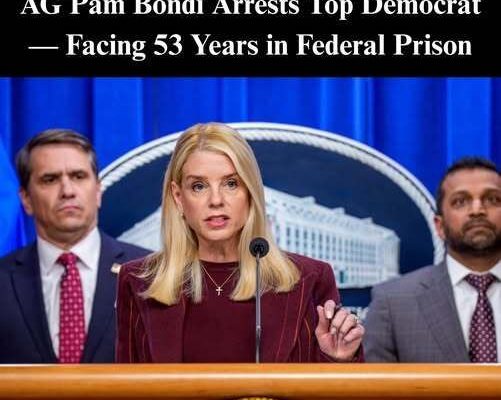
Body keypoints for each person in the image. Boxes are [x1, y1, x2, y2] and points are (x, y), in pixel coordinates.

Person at [116, 122, 364, 363]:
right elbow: (125, 384)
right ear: (178, 197)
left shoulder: (310, 279)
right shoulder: (137, 281)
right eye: (199, 186)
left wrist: (338, 359)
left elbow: (335, 384)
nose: (216, 200)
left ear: (251, 193)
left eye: (231, 183)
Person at [0, 129, 149, 363]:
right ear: (26, 199)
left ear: (98, 191)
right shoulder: (3, 279)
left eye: (78, 176)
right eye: (50, 179)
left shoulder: (150, 273)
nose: (67, 191)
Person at [364, 157, 501, 362]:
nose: (477, 210)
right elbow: (373, 382)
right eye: (460, 201)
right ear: (439, 226)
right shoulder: (392, 302)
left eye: (492, 199)